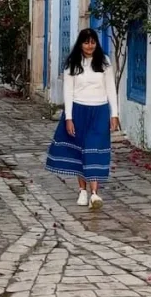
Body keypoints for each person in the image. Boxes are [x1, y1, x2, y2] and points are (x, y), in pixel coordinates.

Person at [46, 28, 119, 209]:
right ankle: (82, 191)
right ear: (80, 43)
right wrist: (68, 118)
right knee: (80, 150)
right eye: (86, 42)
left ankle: (95, 194)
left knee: (94, 149)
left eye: (93, 42)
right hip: (78, 110)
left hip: (99, 111)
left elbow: (111, 89)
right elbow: (68, 92)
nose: (90, 46)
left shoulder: (104, 62)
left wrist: (114, 114)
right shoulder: (72, 64)